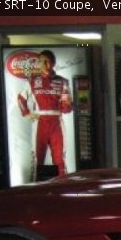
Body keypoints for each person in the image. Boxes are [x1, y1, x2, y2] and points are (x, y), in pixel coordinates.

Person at [17, 49, 73, 178]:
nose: (45, 64)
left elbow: (67, 108)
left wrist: (67, 104)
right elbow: (21, 98)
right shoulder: (32, 81)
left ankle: (62, 186)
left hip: (56, 123)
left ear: (53, 63)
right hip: (40, 122)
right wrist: (26, 113)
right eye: (42, 61)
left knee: (60, 160)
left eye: (48, 62)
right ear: (38, 63)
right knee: (37, 159)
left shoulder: (62, 82)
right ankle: (36, 187)